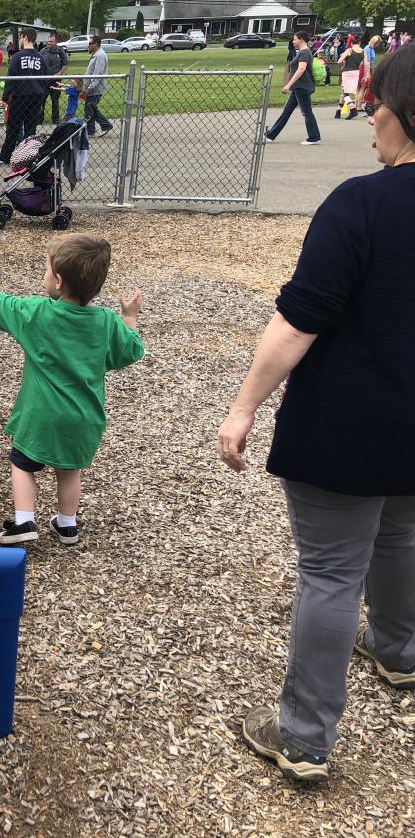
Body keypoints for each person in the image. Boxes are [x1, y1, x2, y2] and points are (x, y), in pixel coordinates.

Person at [219, 44, 415, 784]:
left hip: (348, 426)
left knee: (331, 571)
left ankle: (303, 737)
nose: (370, 115)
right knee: (398, 531)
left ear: (405, 115)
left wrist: (242, 410)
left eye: (379, 103)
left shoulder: (361, 204)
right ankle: (399, 652)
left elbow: (298, 323)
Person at [0, 234, 143, 546]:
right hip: (84, 417)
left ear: (58, 281)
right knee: (69, 470)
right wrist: (130, 317)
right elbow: (131, 350)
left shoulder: (39, 313)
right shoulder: (106, 321)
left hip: (41, 414)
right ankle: (66, 524)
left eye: (46, 270)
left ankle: (23, 521)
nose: (44, 276)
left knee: (22, 464)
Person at [0, 28, 48, 165]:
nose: (20, 40)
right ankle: (28, 156)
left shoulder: (17, 57)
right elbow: (45, 79)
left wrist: (5, 97)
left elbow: (11, 78)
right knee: (31, 128)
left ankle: (6, 156)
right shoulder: (41, 57)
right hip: (36, 96)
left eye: (21, 37)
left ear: (25, 37)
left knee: (13, 127)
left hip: (20, 96)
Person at [265, 31, 320, 145]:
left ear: (301, 40)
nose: (293, 41)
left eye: (295, 39)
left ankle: (314, 137)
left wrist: (288, 84)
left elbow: (301, 69)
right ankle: (271, 135)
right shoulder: (302, 52)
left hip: (302, 87)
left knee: (306, 112)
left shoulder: (304, 52)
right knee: (286, 112)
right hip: (298, 87)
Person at [80, 36, 113, 138]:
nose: (88, 46)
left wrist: (90, 88)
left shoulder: (100, 56)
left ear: (96, 44)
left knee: (90, 109)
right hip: (92, 88)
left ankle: (102, 126)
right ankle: (92, 130)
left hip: (95, 89)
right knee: (90, 109)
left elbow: (97, 74)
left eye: (90, 44)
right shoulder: (96, 55)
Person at [41, 33, 70, 124]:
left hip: (56, 82)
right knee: (42, 100)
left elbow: (65, 65)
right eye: (48, 41)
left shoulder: (61, 52)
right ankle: (39, 119)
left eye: (51, 41)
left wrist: (59, 73)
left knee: (55, 101)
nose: (49, 43)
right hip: (44, 82)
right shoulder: (42, 51)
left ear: (56, 41)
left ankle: (55, 120)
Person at [337, 36, 364, 119]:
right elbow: (366, 64)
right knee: (345, 92)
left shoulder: (349, 50)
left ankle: (352, 110)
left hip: (347, 72)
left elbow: (339, 61)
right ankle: (338, 111)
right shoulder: (363, 51)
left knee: (345, 94)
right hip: (356, 72)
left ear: (352, 43)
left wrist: (344, 58)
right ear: (359, 43)